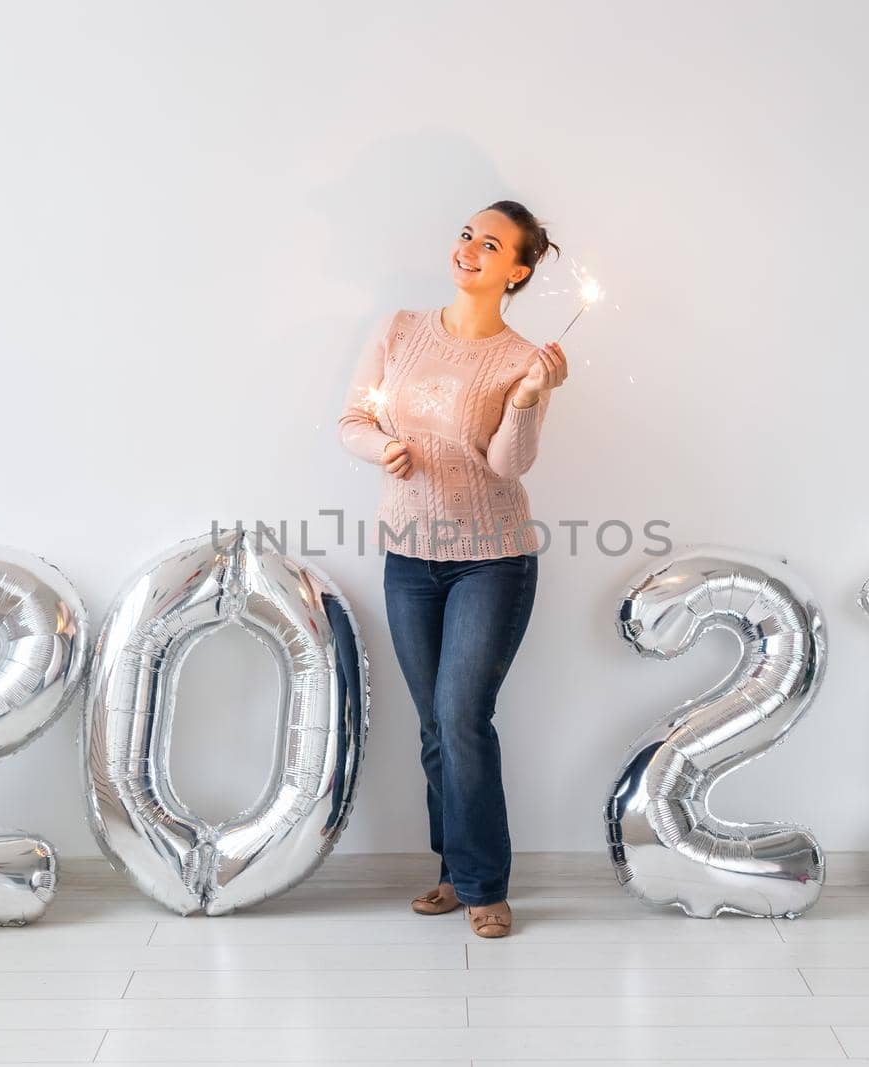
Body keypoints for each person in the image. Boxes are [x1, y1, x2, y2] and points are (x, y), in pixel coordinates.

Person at [336, 199, 569, 938]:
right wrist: (384, 450)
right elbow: (353, 420)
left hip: (492, 561)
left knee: (463, 717)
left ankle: (483, 885)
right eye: (467, 233)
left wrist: (529, 402)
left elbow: (507, 464)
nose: (469, 247)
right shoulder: (399, 331)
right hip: (409, 559)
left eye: (490, 243)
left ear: (517, 271)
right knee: (435, 727)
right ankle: (451, 871)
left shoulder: (520, 359)